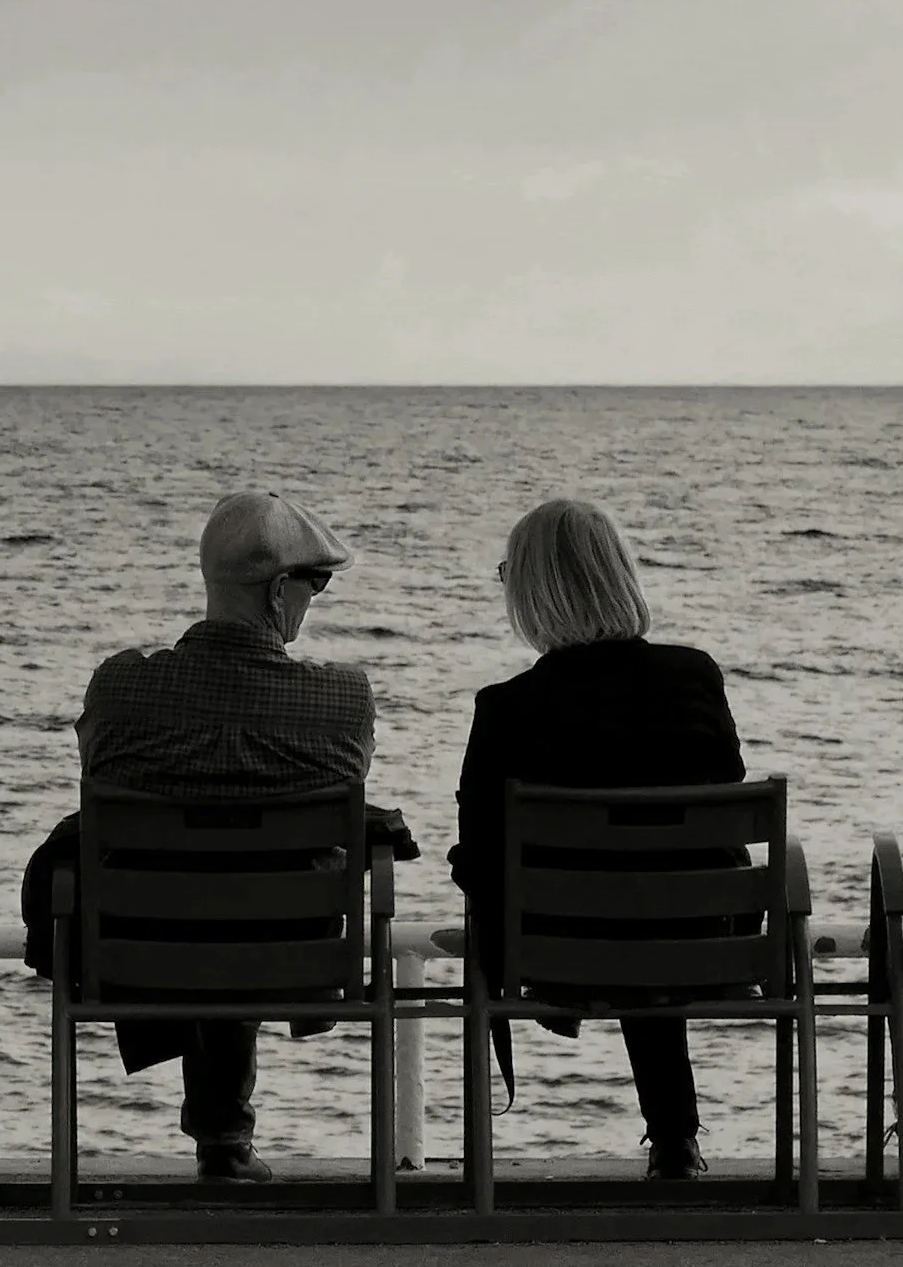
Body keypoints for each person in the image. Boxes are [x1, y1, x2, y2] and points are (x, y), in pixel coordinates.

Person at [50, 489, 381, 1185]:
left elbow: (103, 770)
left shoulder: (120, 688)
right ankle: (224, 1138)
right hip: (289, 954)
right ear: (281, 590)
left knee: (201, 880)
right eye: (315, 585)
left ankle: (222, 1136)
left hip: (142, 953)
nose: (315, 600)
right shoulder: (342, 699)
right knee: (246, 885)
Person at [449, 496, 743, 1181]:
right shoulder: (693, 675)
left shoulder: (507, 707)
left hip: (557, 955)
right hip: (704, 942)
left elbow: (478, 849)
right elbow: (724, 792)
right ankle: (676, 1139)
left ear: (531, 591)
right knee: (648, 889)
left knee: (620, 897)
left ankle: (672, 1137)